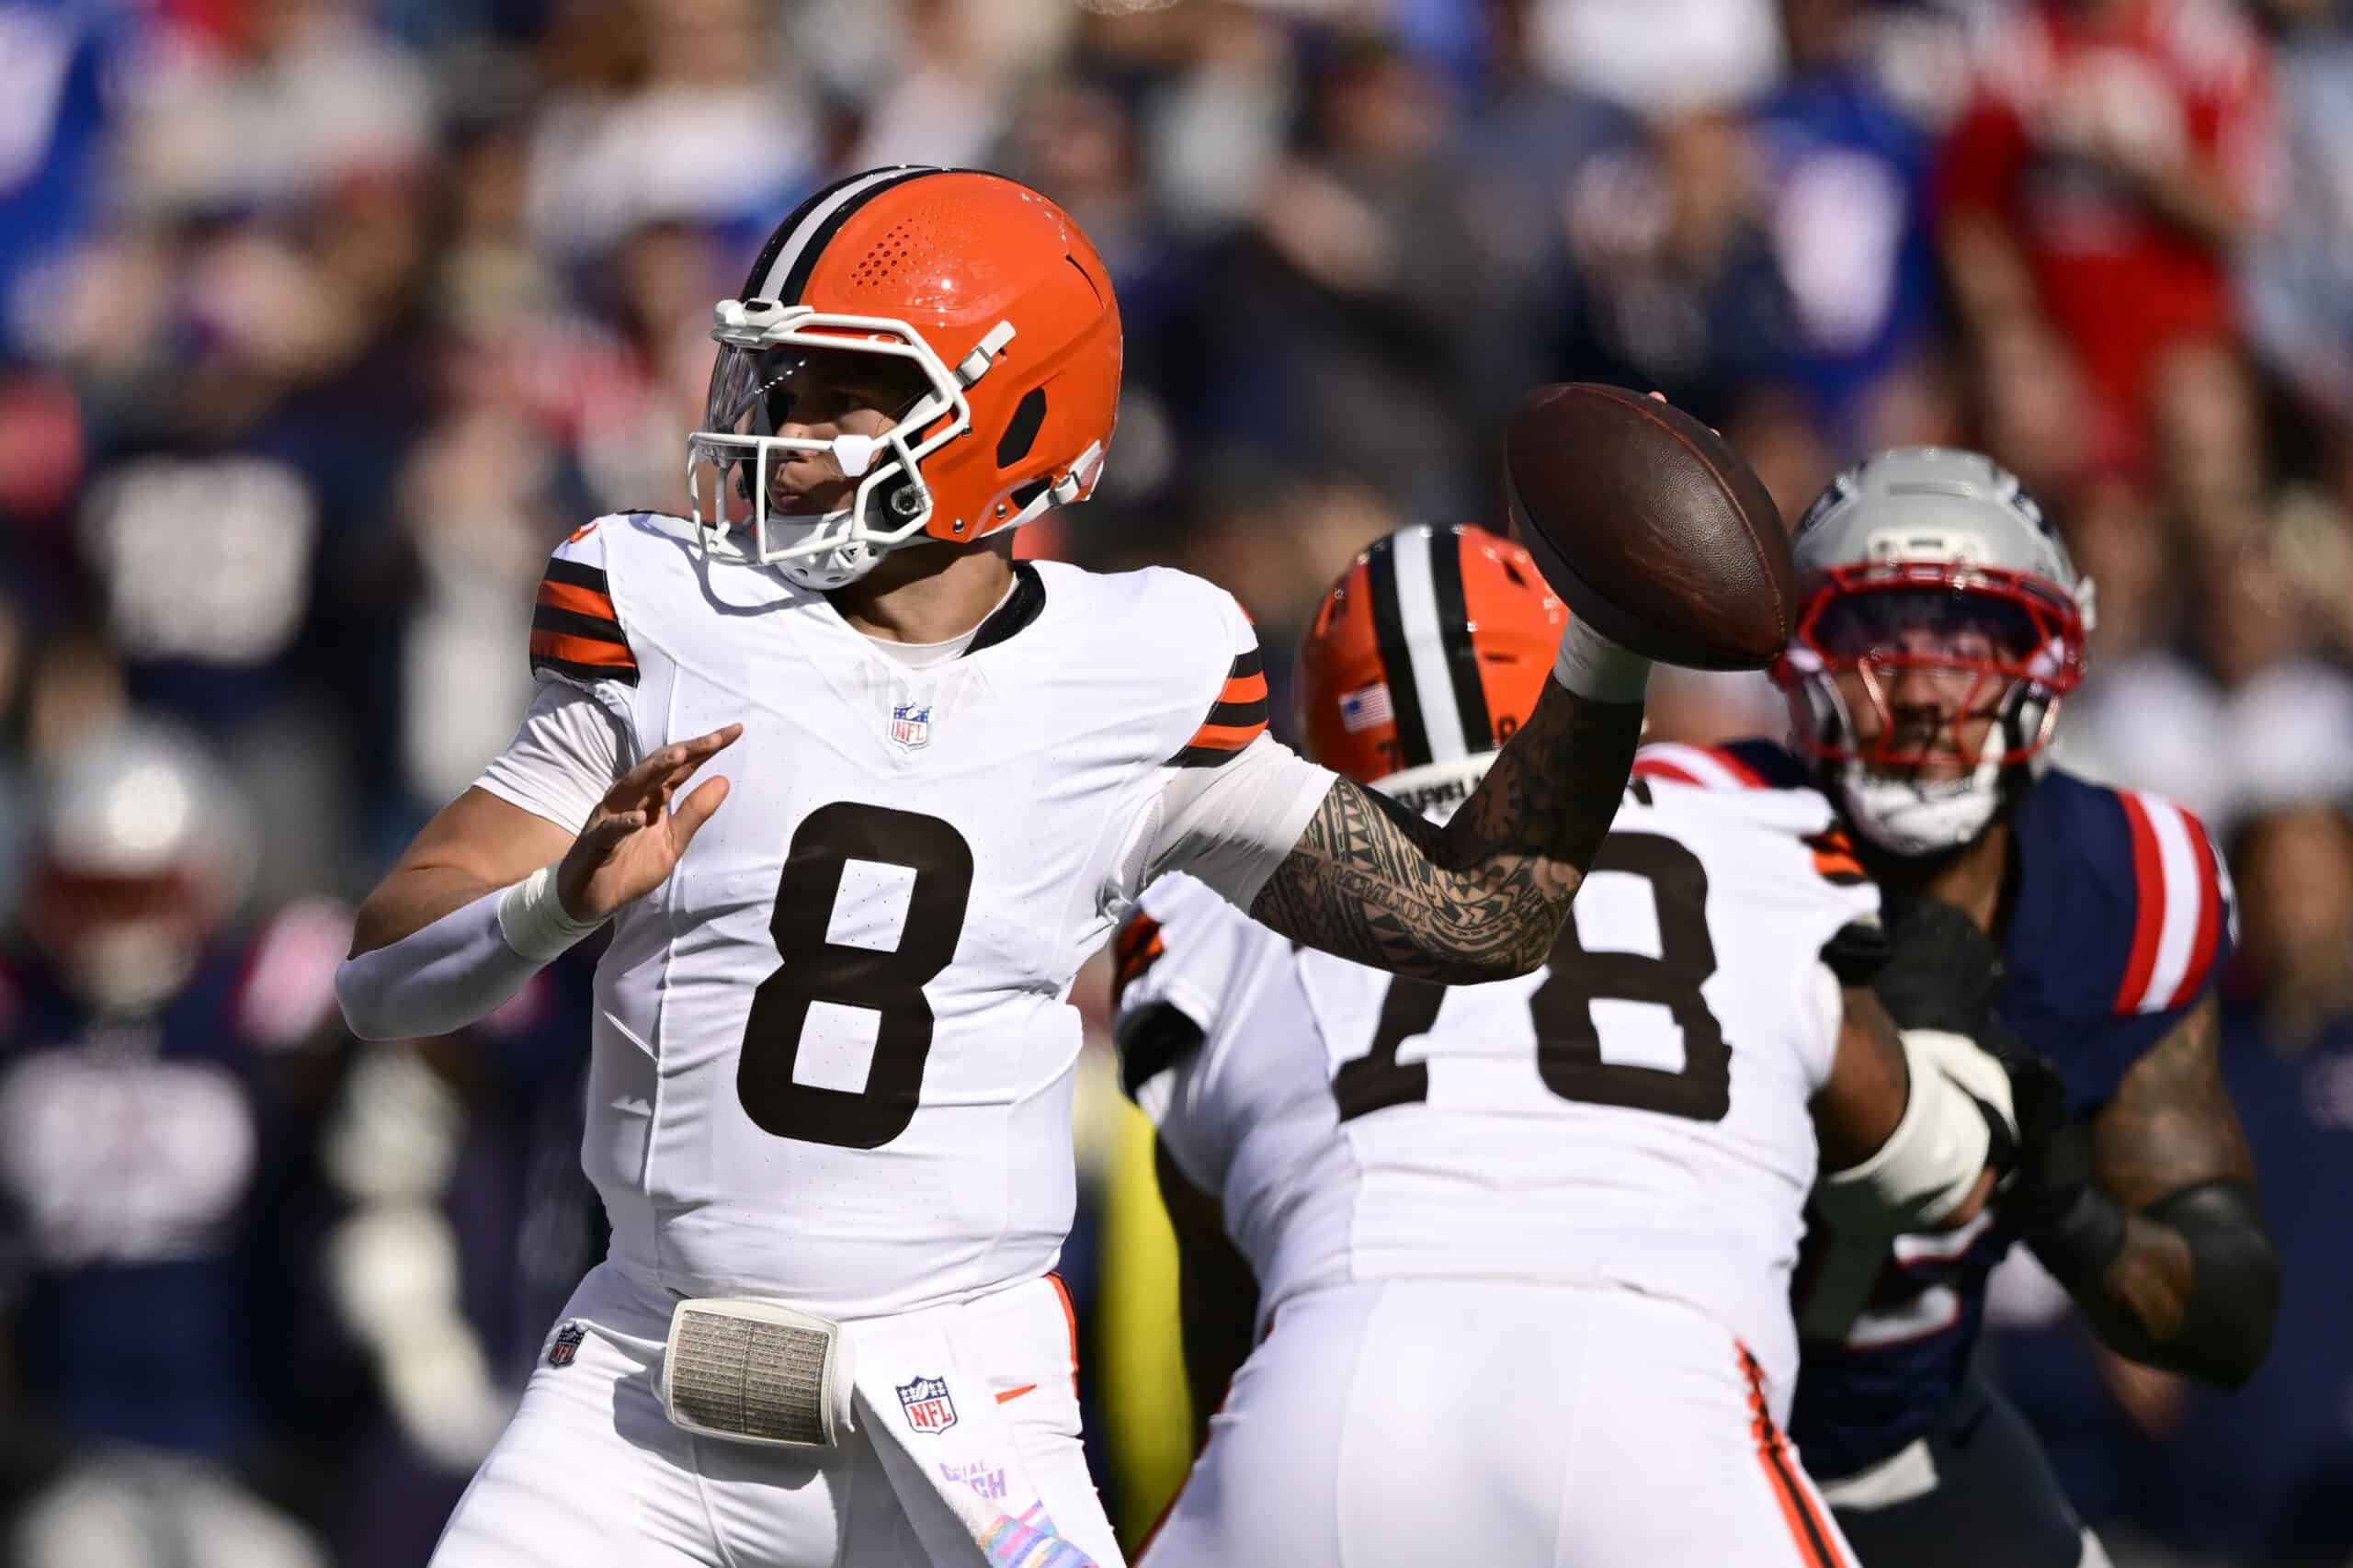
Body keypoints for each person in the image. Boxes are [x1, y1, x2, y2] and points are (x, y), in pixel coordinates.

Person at [332, 167, 1686, 1568]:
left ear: (1015, 417)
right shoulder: (674, 605)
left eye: (845, 396)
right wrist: (552, 903)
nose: (785, 435)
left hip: (958, 1406)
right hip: (641, 1386)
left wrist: (1607, 654)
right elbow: (380, 978)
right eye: (783, 386)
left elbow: (1474, 918)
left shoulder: (1141, 669)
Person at [1112, 522, 2015, 1568]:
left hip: (1329, 1395)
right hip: (1652, 1390)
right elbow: (1931, 1163)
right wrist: (1971, 1101)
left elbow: (1218, 1297)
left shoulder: (1220, 910)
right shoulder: (1748, 837)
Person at [1761, 448, 2279, 1568]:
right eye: (1875, 635)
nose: (1920, 691)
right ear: (1799, 656)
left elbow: (2228, 1316)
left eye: (1967, 642)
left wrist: (2065, 1204)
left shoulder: (2128, 886)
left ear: (2048, 660)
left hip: (1907, 1438)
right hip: (1678, 1423)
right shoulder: (1707, 845)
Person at [0, 720, 344, 1568]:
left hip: (240, 1440)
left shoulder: (262, 1007)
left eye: (142, 893)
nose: (116, 923)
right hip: (63, 1444)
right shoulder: (23, 1012)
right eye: (90, 894)